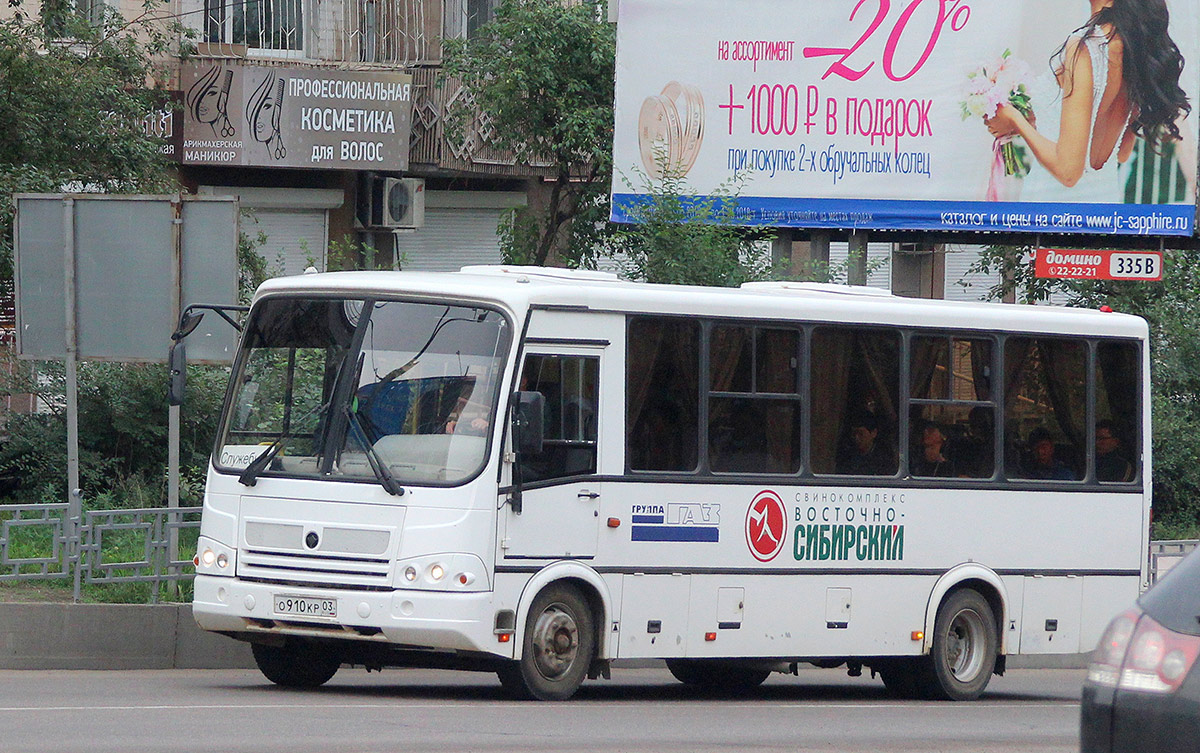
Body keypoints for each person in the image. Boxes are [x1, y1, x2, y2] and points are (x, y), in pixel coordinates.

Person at [983, 0, 1190, 203]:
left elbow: (1068, 173)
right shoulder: (1132, 47)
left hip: (1055, 209)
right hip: (1104, 203)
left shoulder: (1085, 47)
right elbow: (1122, 152)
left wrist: (1013, 118)